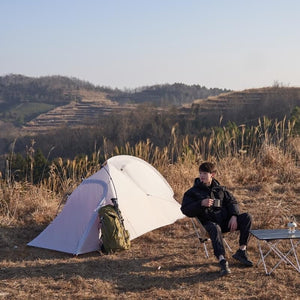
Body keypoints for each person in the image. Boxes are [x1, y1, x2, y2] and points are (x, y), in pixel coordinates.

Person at [181, 161, 253, 276]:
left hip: (225, 222)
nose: (202, 176)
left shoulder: (220, 189)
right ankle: (222, 261)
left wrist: (234, 216)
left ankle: (242, 251)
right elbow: (185, 209)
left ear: (212, 175)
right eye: (200, 173)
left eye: (205, 173)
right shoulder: (192, 192)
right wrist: (201, 203)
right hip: (208, 225)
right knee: (215, 228)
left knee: (247, 217)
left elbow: (232, 202)